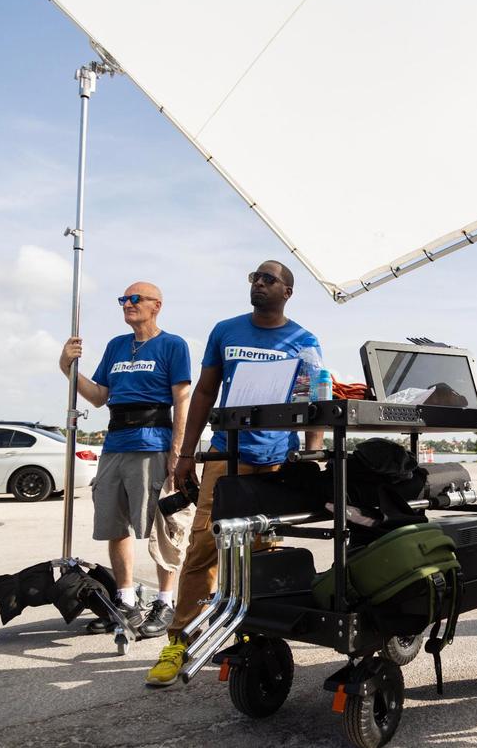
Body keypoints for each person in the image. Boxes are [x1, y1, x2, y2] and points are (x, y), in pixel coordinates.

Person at [145, 260, 323, 687]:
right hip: (227, 454)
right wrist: (187, 454)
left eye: (269, 279)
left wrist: (314, 453)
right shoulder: (226, 330)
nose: (259, 284)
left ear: (287, 292)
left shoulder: (304, 339)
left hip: (277, 457)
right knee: (205, 544)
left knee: (260, 548)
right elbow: (205, 391)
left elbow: (316, 395)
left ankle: (254, 631)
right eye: (254, 278)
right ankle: (180, 640)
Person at [58, 281, 192, 639]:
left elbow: (182, 399)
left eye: (136, 299)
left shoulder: (172, 345)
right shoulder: (117, 346)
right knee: (114, 525)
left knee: (163, 526)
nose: (128, 304)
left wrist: (178, 450)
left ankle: (166, 601)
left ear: (156, 306)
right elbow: (100, 396)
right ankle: (126, 599)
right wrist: (67, 369)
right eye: (124, 299)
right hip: (115, 444)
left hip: (154, 443)